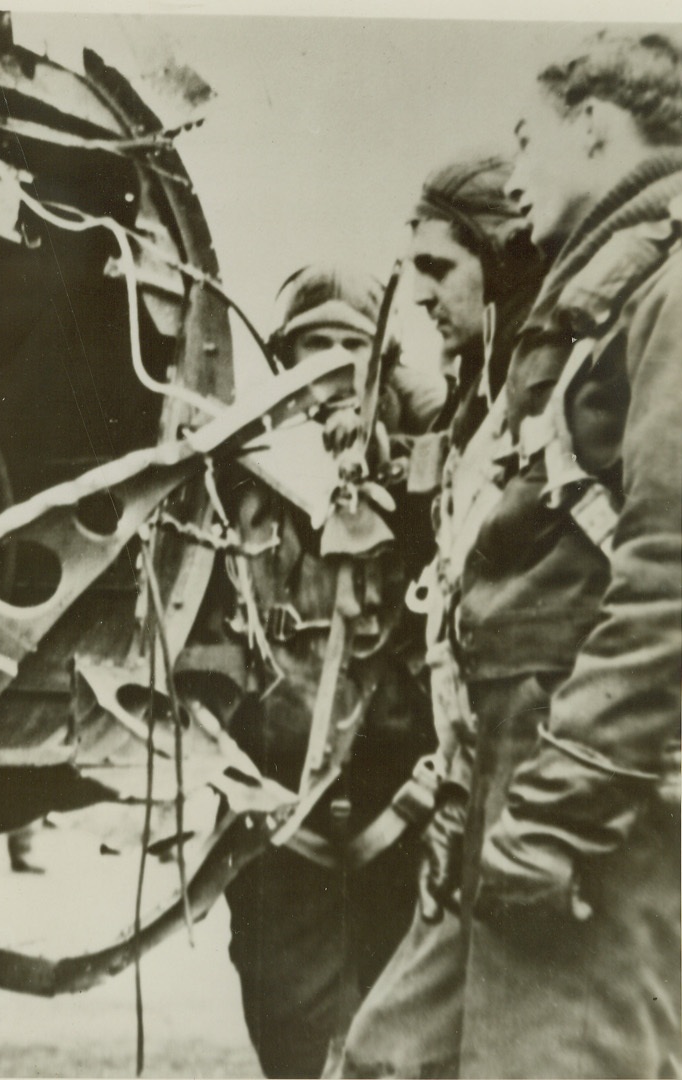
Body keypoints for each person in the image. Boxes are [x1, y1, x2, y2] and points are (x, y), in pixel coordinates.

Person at [347, 32, 682, 1079]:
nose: (517, 171)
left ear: (594, 129)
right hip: (513, 762)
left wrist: (558, 806)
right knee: (389, 1062)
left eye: (527, 139)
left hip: (586, 786)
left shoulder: (665, 291)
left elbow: (672, 573)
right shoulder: (609, 292)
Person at [183, 264, 444, 1078]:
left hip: (401, 795)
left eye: (349, 347)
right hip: (272, 796)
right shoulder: (234, 478)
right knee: (284, 1009)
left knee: (400, 1018)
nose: (330, 366)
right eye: (310, 346)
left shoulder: (432, 475)